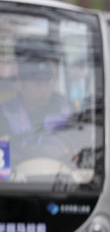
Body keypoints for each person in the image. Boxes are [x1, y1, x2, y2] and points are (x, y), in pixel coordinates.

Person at [0, 36, 73, 165]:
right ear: (20, 82)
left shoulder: (66, 109)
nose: (44, 89)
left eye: (47, 82)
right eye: (37, 83)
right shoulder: (5, 113)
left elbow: (79, 146)